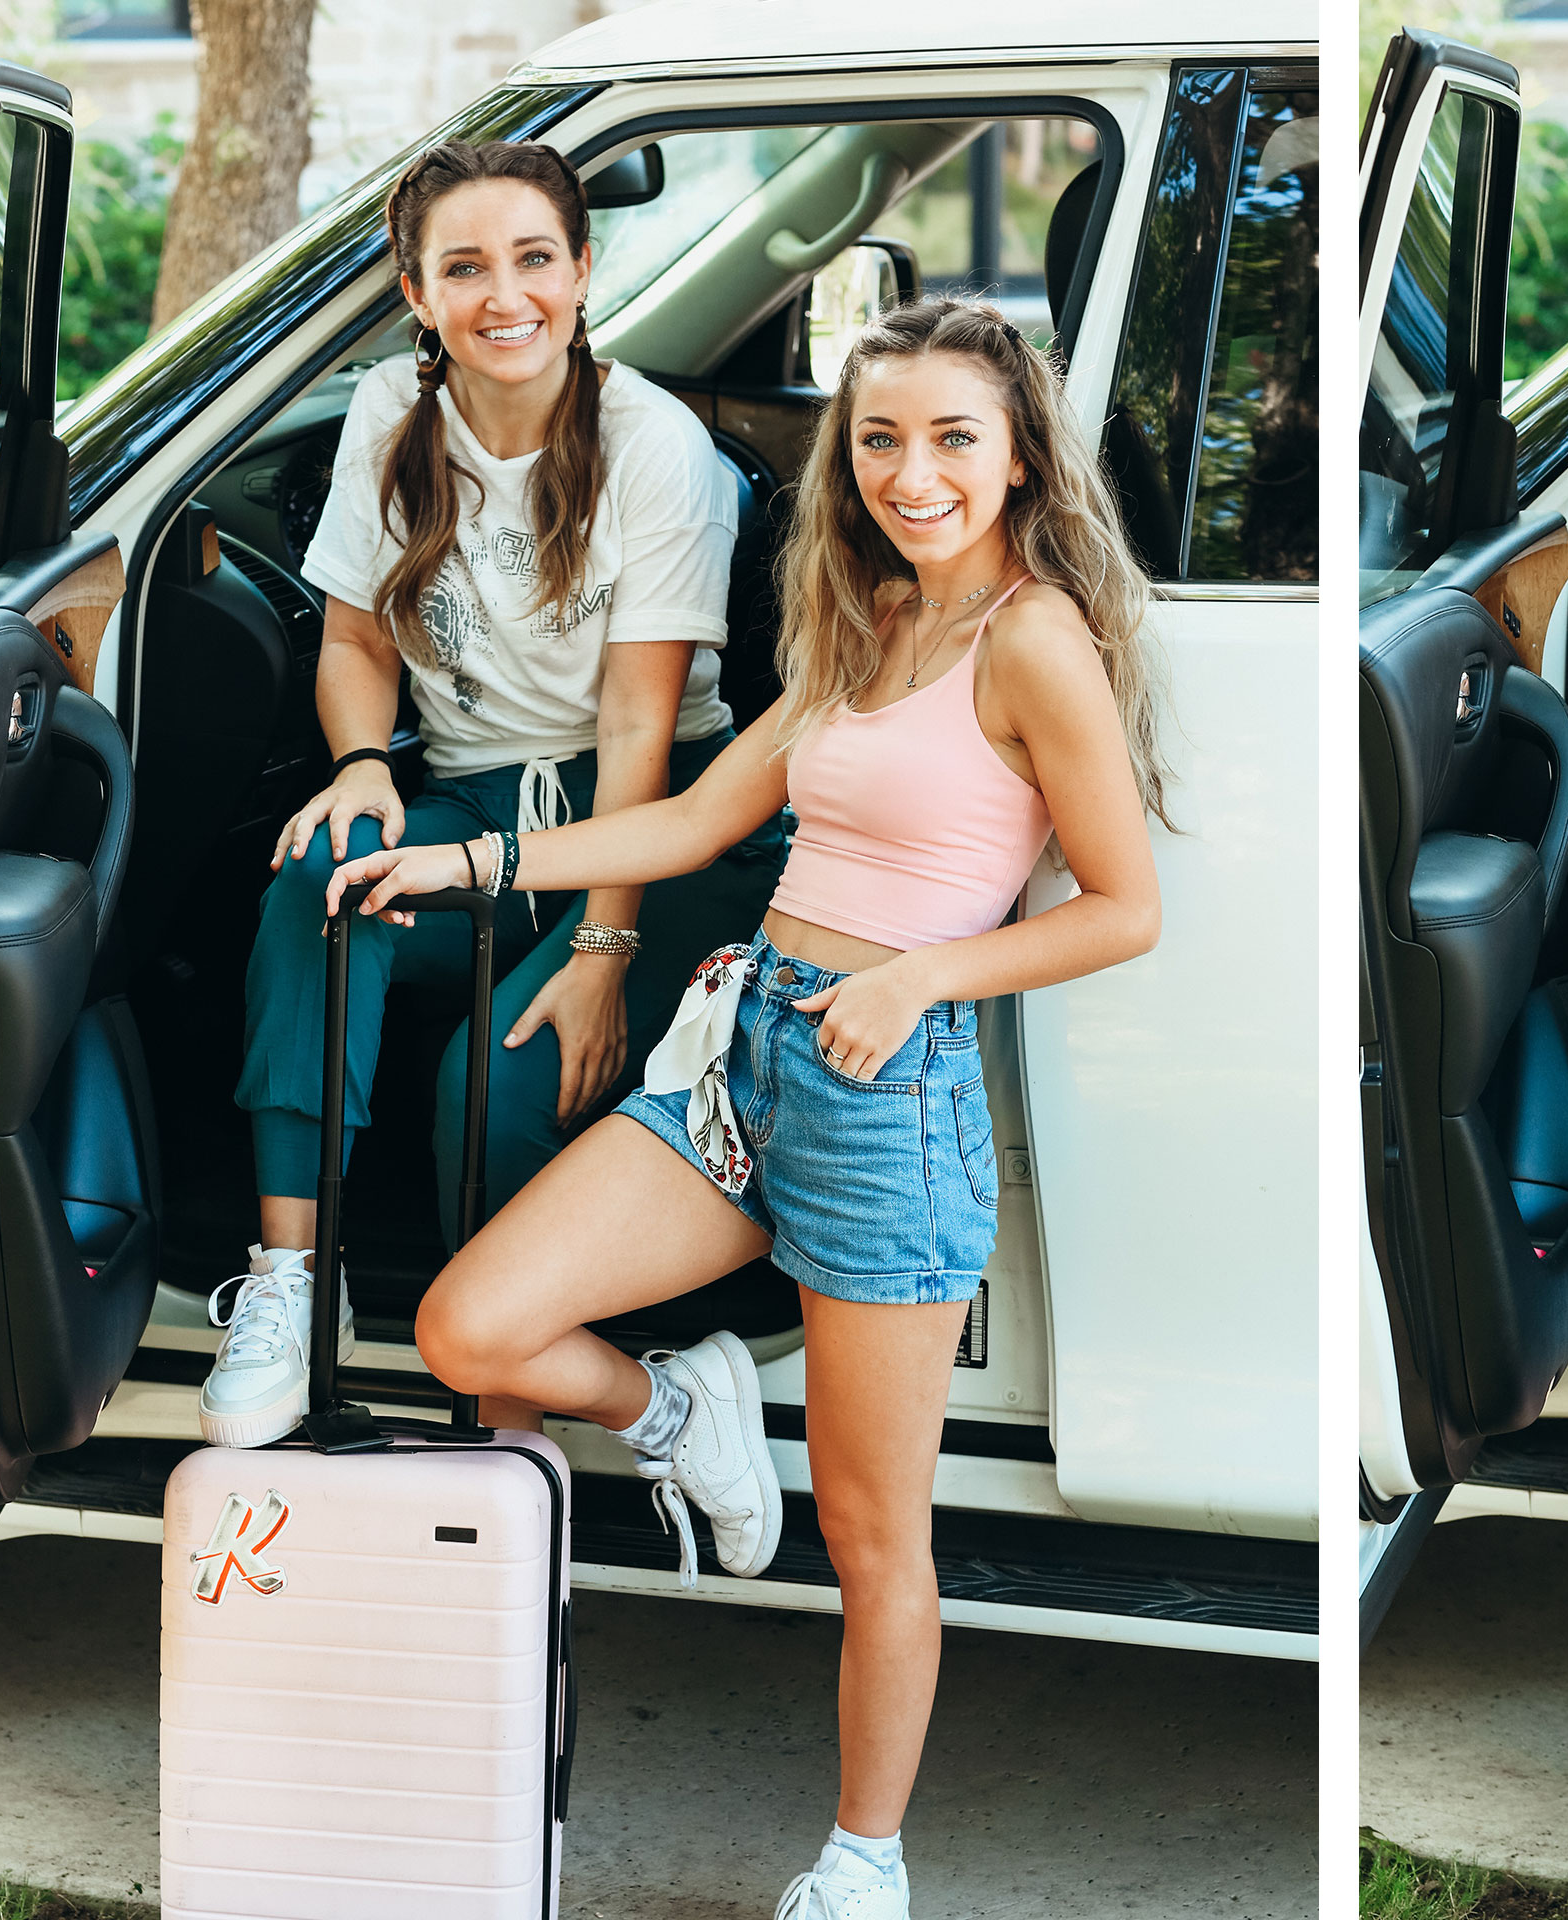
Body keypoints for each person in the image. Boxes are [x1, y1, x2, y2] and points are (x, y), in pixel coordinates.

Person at [330, 296, 1169, 1920]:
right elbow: (708, 814)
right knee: (471, 1328)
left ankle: (866, 1862)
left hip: (884, 1094)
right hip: (746, 1054)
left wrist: (927, 977)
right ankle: (680, 1415)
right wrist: (476, 858)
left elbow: (1125, 909)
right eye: (878, 440)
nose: (910, 472)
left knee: (870, 1533)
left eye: (949, 439)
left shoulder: (1035, 640)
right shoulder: (870, 621)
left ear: (1016, 457)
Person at [198, 139, 782, 1450]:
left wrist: (602, 946)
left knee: (501, 1075)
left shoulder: (653, 446)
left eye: (534, 259)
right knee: (320, 886)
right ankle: (293, 1287)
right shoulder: (385, 422)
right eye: (464, 266)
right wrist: (362, 768)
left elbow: (641, 715)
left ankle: (531, 1401)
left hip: (655, 816)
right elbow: (352, 644)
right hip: (470, 804)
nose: (503, 294)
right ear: (416, 290)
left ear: (582, 271)